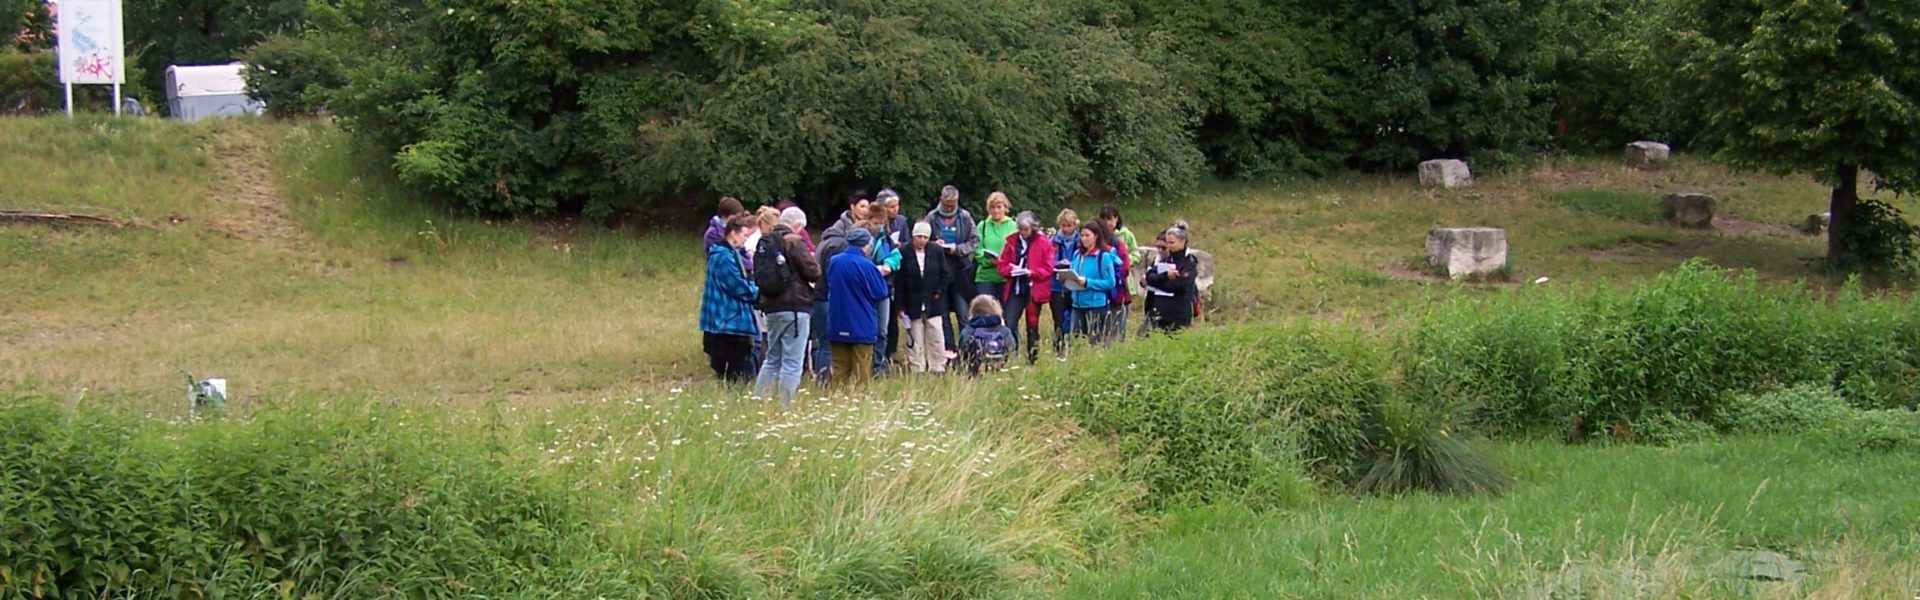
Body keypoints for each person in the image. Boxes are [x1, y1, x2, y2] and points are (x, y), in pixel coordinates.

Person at [751, 209, 823, 409]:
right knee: (792, 361)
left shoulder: (765, 242)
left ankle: (758, 402)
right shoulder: (793, 241)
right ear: (798, 225)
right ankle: (785, 407)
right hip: (794, 307)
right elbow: (813, 271)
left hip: (771, 307)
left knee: (772, 358)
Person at [811, 191, 873, 384]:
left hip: (819, 295)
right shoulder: (841, 244)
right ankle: (824, 382)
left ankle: (822, 382)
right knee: (827, 345)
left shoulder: (827, 238)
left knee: (823, 343)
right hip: (828, 297)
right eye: (862, 206)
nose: (865, 210)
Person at [825, 227, 890, 391]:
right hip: (862, 325)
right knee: (861, 372)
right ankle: (858, 403)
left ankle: (835, 402)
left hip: (837, 322)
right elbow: (881, 293)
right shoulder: (868, 266)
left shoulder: (834, 261)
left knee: (839, 369)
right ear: (866, 245)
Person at [700, 214, 760, 382]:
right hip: (728, 322)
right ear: (733, 233)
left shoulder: (727, 254)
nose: (745, 240)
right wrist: (759, 292)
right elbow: (736, 285)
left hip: (724, 322)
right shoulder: (723, 257)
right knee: (735, 373)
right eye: (744, 235)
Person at [925, 185, 978, 355]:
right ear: (941, 200)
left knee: (963, 312)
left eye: (952, 204)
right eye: (947, 204)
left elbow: (974, 241)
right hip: (939, 271)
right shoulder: (932, 217)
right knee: (943, 313)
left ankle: (966, 350)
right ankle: (949, 351)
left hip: (961, 269)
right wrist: (934, 245)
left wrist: (958, 249)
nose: (949, 208)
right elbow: (922, 240)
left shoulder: (964, 216)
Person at [996, 211, 1055, 364]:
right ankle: (1011, 356)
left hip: (1032, 290)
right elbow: (1002, 265)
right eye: (1021, 229)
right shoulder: (1011, 241)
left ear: (1033, 228)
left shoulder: (1043, 242)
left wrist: (1032, 272)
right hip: (1015, 288)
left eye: (1026, 230)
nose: (1023, 233)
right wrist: (1011, 270)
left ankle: (1033, 359)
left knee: (1032, 325)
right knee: (1008, 322)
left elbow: (1048, 268)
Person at [894, 222, 951, 373]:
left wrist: (939, 291)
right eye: (919, 236)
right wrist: (899, 307)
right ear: (913, 236)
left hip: (934, 301)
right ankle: (916, 368)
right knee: (915, 337)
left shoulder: (936, 251)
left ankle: (938, 367)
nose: (922, 240)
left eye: (925, 237)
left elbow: (945, 274)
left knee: (936, 335)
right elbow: (898, 281)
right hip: (911, 302)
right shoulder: (904, 252)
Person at [1061, 220, 1121, 347]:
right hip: (1077, 304)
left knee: (1095, 342)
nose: (1084, 239)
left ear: (1096, 236)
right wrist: (1065, 278)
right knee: (1074, 341)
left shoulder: (1103, 256)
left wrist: (1088, 282)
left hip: (1096, 305)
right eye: (1082, 235)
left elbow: (1110, 283)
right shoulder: (1077, 254)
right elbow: (1074, 272)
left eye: (1087, 235)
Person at [862, 207, 902, 376]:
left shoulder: (886, 238)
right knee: (866, 329)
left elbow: (896, 256)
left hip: (883, 288)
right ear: (868, 220)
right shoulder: (862, 237)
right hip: (865, 290)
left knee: (882, 330)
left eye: (881, 223)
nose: (878, 226)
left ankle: (878, 365)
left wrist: (889, 266)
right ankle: (865, 364)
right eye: (875, 222)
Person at [1145, 225, 1199, 334]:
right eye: (1168, 243)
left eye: (1172, 243)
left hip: (1179, 314)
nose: (1169, 246)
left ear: (1182, 242)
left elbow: (1182, 284)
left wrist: (1158, 284)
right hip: (1160, 313)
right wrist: (1166, 276)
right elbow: (1149, 277)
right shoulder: (1165, 260)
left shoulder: (1189, 262)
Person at [876, 189, 910, 362]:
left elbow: (909, 242)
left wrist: (899, 245)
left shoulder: (901, 221)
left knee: (894, 313)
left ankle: (891, 351)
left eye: (897, 206)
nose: (895, 209)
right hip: (880, 272)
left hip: (898, 271)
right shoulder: (875, 224)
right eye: (891, 207)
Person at [1097, 204, 1137, 342]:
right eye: (1105, 219)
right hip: (1102, 286)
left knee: (1119, 323)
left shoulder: (1125, 236)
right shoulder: (1097, 238)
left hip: (1121, 282)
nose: (1108, 222)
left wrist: (1129, 260)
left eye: (1111, 218)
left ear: (1117, 219)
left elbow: (1134, 253)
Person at [973, 192, 1018, 306]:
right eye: (992, 207)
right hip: (985, 276)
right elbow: (977, 249)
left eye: (999, 207)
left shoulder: (1013, 226)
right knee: (986, 311)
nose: (996, 211)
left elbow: (1017, 248)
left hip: (1006, 277)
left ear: (1005, 208)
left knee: (1005, 314)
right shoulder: (982, 226)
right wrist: (988, 261)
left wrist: (1004, 262)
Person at [1048, 209, 1081, 357]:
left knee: (1075, 319)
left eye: (1069, 225)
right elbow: (1047, 260)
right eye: (1063, 225)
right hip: (1056, 286)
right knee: (1058, 320)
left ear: (1075, 224)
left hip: (1074, 285)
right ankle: (1058, 351)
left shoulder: (1081, 240)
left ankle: (1075, 349)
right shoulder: (1053, 241)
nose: (1066, 229)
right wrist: (1058, 264)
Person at [960, 295, 1016, 376]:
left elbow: (962, 355)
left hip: (974, 374)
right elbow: (1012, 353)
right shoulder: (1004, 331)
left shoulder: (967, 331)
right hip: (1002, 373)